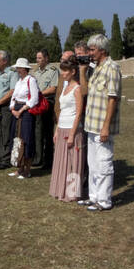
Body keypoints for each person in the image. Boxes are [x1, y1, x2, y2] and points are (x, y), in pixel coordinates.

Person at [83, 33, 121, 212]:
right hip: (91, 124)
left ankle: (104, 200)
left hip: (102, 126)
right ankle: (94, 197)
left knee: (104, 163)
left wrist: (106, 126)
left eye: (92, 49)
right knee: (93, 164)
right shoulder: (96, 67)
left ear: (102, 50)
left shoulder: (112, 68)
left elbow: (112, 99)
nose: (90, 53)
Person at [49, 58, 86, 202]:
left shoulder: (77, 89)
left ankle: (72, 193)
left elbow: (78, 113)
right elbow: (63, 110)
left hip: (73, 130)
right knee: (61, 161)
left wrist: (72, 135)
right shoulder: (65, 88)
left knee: (73, 162)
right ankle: (61, 190)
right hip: (62, 127)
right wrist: (57, 130)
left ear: (73, 72)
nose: (63, 73)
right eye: (62, 70)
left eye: (65, 71)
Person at [6, 59, 39, 179]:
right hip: (17, 109)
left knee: (27, 139)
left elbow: (34, 99)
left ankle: (27, 170)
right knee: (17, 138)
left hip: (26, 111)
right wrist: (13, 109)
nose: (17, 70)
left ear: (24, 69)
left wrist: (21, 110)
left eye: (19, 68)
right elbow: (13, 97)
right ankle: (19, 168)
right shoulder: (19, 81)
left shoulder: (31, 80)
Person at [33, 49, 59, 172]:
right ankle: (38, 158)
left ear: (46, 58)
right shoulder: (36, 72)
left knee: (48, 133)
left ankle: (48, 161)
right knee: (38, 132)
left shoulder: (53, 71)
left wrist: (39, 94)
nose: (37, 60)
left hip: (47, 103)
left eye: (39, 58)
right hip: (37, 104)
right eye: (37, 58)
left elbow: (53, 88)